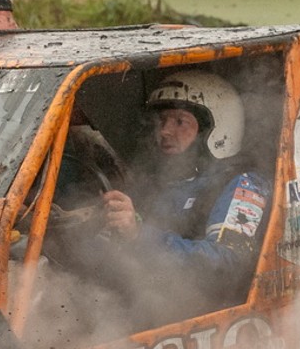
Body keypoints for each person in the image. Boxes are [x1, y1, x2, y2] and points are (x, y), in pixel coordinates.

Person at [97, 70, 268, 318]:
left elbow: (226, 264)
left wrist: (139, 234)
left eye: (180, 122)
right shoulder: (161, 183)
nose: (165, 131)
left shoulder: (243, 184)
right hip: (146, 306)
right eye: (163, 121)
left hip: (206, 317)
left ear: (217, 130)